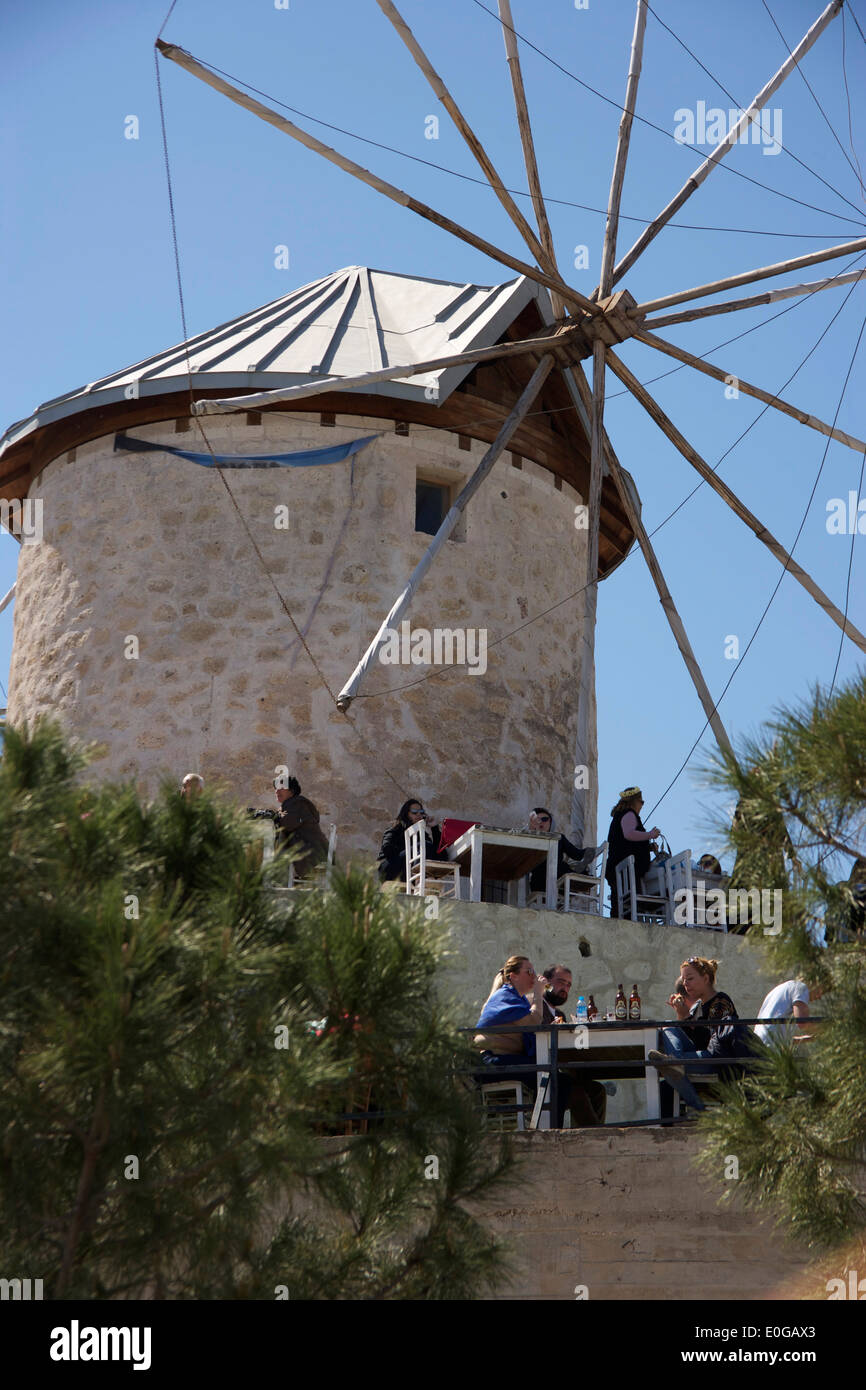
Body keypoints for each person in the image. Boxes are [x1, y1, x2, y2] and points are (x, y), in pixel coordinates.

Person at [648, 956, 748, 1114]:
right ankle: (675, 1063)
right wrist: (682, 1017)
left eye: (690, 978)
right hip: (699, 1055)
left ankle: (676, 1065)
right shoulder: (696, 1007)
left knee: (667, 1067)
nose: (686, 983)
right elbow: (692, 1040)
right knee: (668, 1026)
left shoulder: (720, 1001)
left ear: (706, 978)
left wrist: (686, 1017)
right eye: (684, 979)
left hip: (716, 1060)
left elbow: (712, 1043)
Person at [604, 786, 661, 918]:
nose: (642, 805)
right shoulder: (629, 814)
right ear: (634, 801)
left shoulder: (621, 815)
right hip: (625, 870)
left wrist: (648, 848)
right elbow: (629, 834)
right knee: (629, 903)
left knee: (621, 903)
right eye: (641, 801)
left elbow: (626, 844)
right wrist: (650, 834)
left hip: (618, 868)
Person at [377, 798, 448, 884]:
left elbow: (441, 856)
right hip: (390, 869)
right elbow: (386, 848)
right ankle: (418, 880)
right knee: (423, 846)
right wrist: (408, 850)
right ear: (406, 814)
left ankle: (419, 880)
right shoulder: (396, 828)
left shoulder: (423, 836)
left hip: (410, 869)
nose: (418, 814)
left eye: (421, 812)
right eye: (414, 812)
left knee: (429, 848)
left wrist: (434, 828)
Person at [273, 775, 329, 878]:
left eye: (281, 788)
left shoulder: (296, 803)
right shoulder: (294, 804)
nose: (277, 791)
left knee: (271, 851)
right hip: (317, 852)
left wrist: (274, 816)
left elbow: (287, 824)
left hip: (311, 854)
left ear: (292, 790)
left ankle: (272, 882)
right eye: (276, 788)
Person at [527, 808, 592, 895]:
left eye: (544, 819)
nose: (541, 822)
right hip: (540, 882)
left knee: (564, 868)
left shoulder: (559, 838)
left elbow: (577, 854)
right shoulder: (529, 839)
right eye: (537, 820)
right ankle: (581, 878)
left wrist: (592, 851)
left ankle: (580, 878)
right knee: (564, 868)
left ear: (551, 823)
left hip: (558, 880)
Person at [754, 978, 822, 1047]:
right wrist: (826, 1032)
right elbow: (802, 1022)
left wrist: (808, 1039)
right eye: (821, 990)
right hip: (771, 1045)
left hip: (759, 1042)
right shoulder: (801, 987)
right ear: (815, 983)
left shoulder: (780, 989)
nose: (820, 997)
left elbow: (779, 1037)